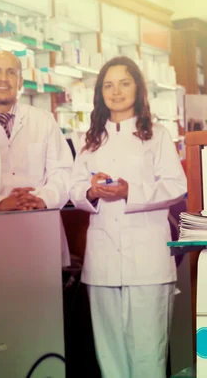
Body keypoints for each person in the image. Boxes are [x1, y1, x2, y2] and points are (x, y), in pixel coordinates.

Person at [69, 56, 187, 378]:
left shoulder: (157, 135)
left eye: (124, 83)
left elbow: (176, 186)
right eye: (108, 85)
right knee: (110, 357)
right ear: (99, 92)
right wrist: (92, 191)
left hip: (148, 262)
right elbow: (75, 190)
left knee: (149, 355)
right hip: (103, 262)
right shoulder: (90, 139)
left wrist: (129, 192)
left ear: (138, 87)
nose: (116, 91)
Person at [0, 50, 73, 266]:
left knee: (44, 295)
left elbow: (64, 172)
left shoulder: (43, 120)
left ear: (20, 81)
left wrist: (41, 199)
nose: (4, 79)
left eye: (11, 72)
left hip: (41, 226)